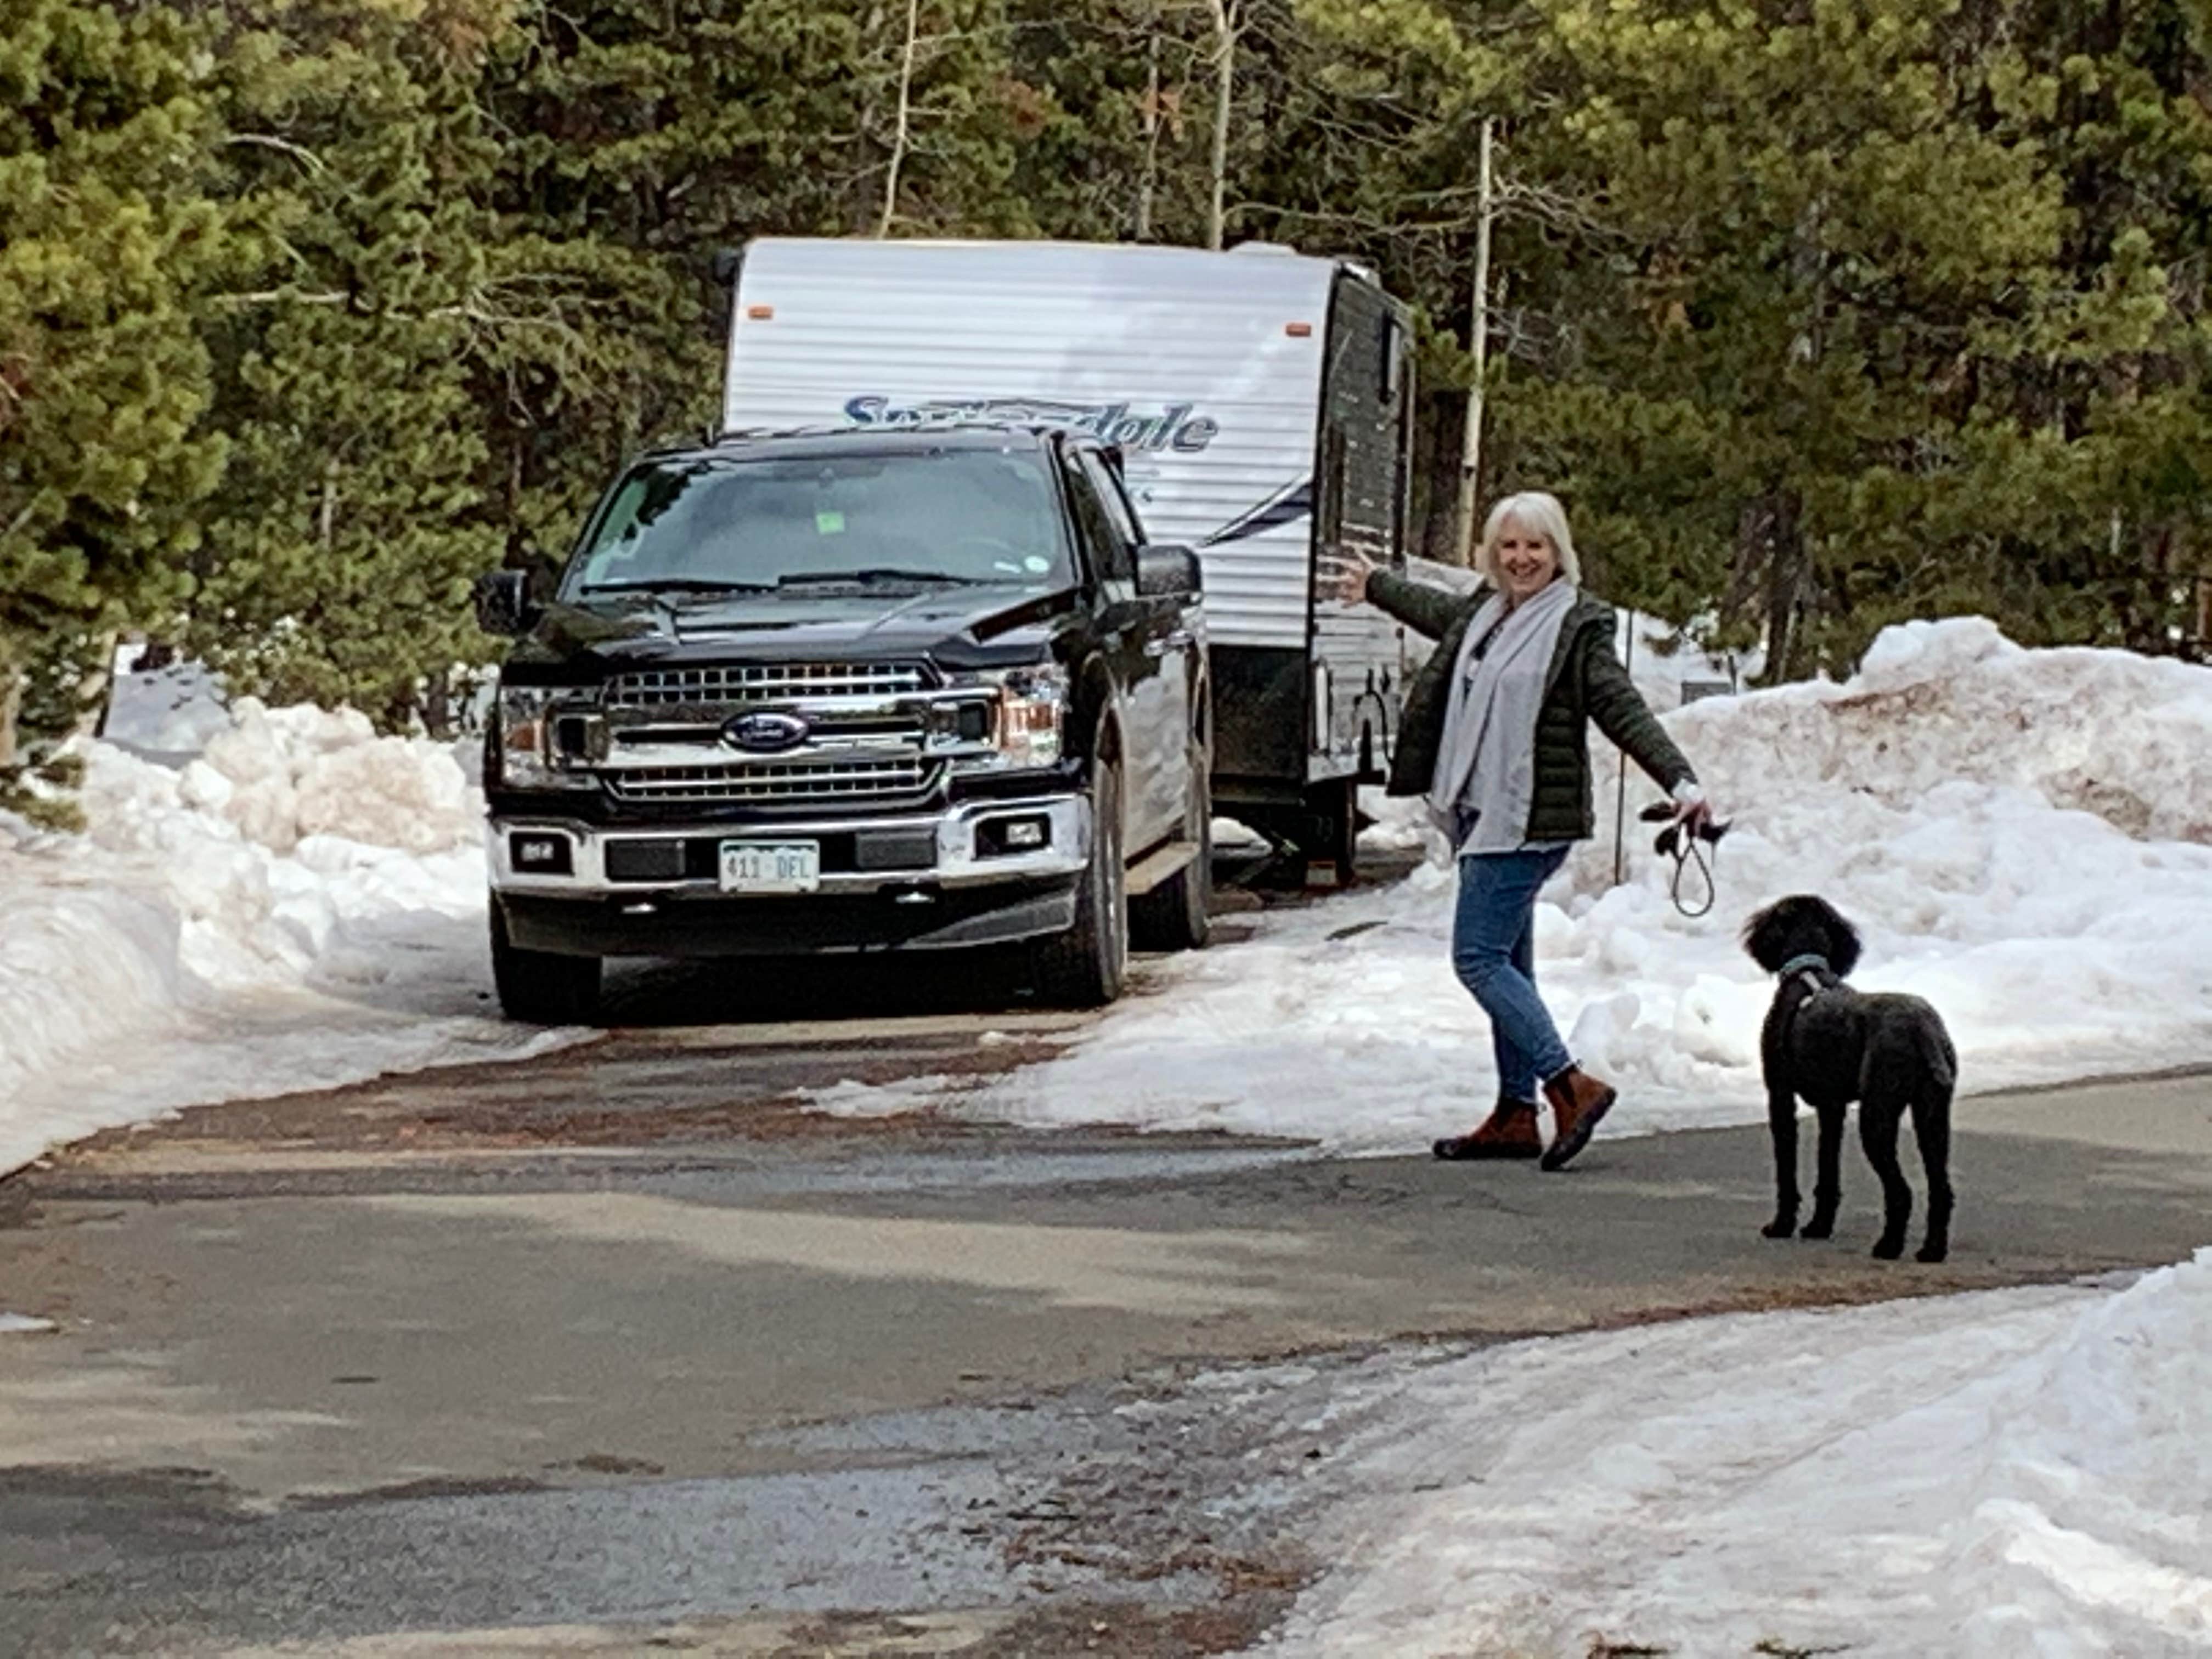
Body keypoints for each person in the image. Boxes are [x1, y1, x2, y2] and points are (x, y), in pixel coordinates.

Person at [1323, 492, 1713, 1170]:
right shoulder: (1486, 613)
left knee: (1476, 960)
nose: (1522, 558)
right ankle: (1513, 1112)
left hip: (1527, 816)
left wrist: (1679, 780)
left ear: (1559, 551)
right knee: (1513, 964)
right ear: (1492, 553)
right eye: (1509, 546)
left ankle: (1569, 1085)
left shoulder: (1576, 626)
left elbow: (1621, 708)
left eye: (1535, 546)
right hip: (1482, 810)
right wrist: (1377, 587)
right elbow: (1436, 613)